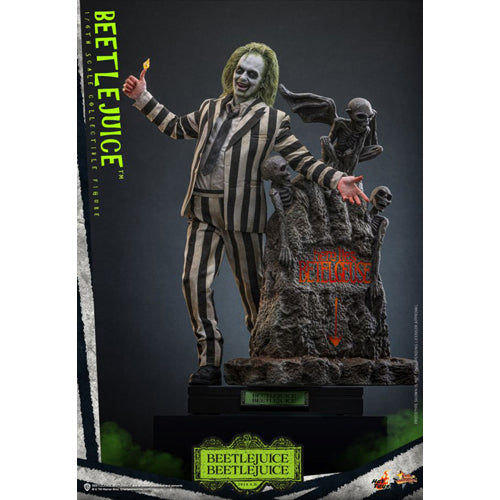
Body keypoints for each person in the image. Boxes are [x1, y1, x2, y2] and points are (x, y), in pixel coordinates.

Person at [122, 42, 369, 385]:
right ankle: (209, 361)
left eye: (252, 74)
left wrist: (337, 179)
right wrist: (143, 97)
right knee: (193, 282)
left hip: (242, 216)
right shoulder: (209, 108)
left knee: (255, 293)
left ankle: (265, 355)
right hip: (202, 210)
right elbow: (176, 127)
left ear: (263, 81)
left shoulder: (273, 119)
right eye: (240, 70)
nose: (243, 78)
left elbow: (301, 159)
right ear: (231, 71)